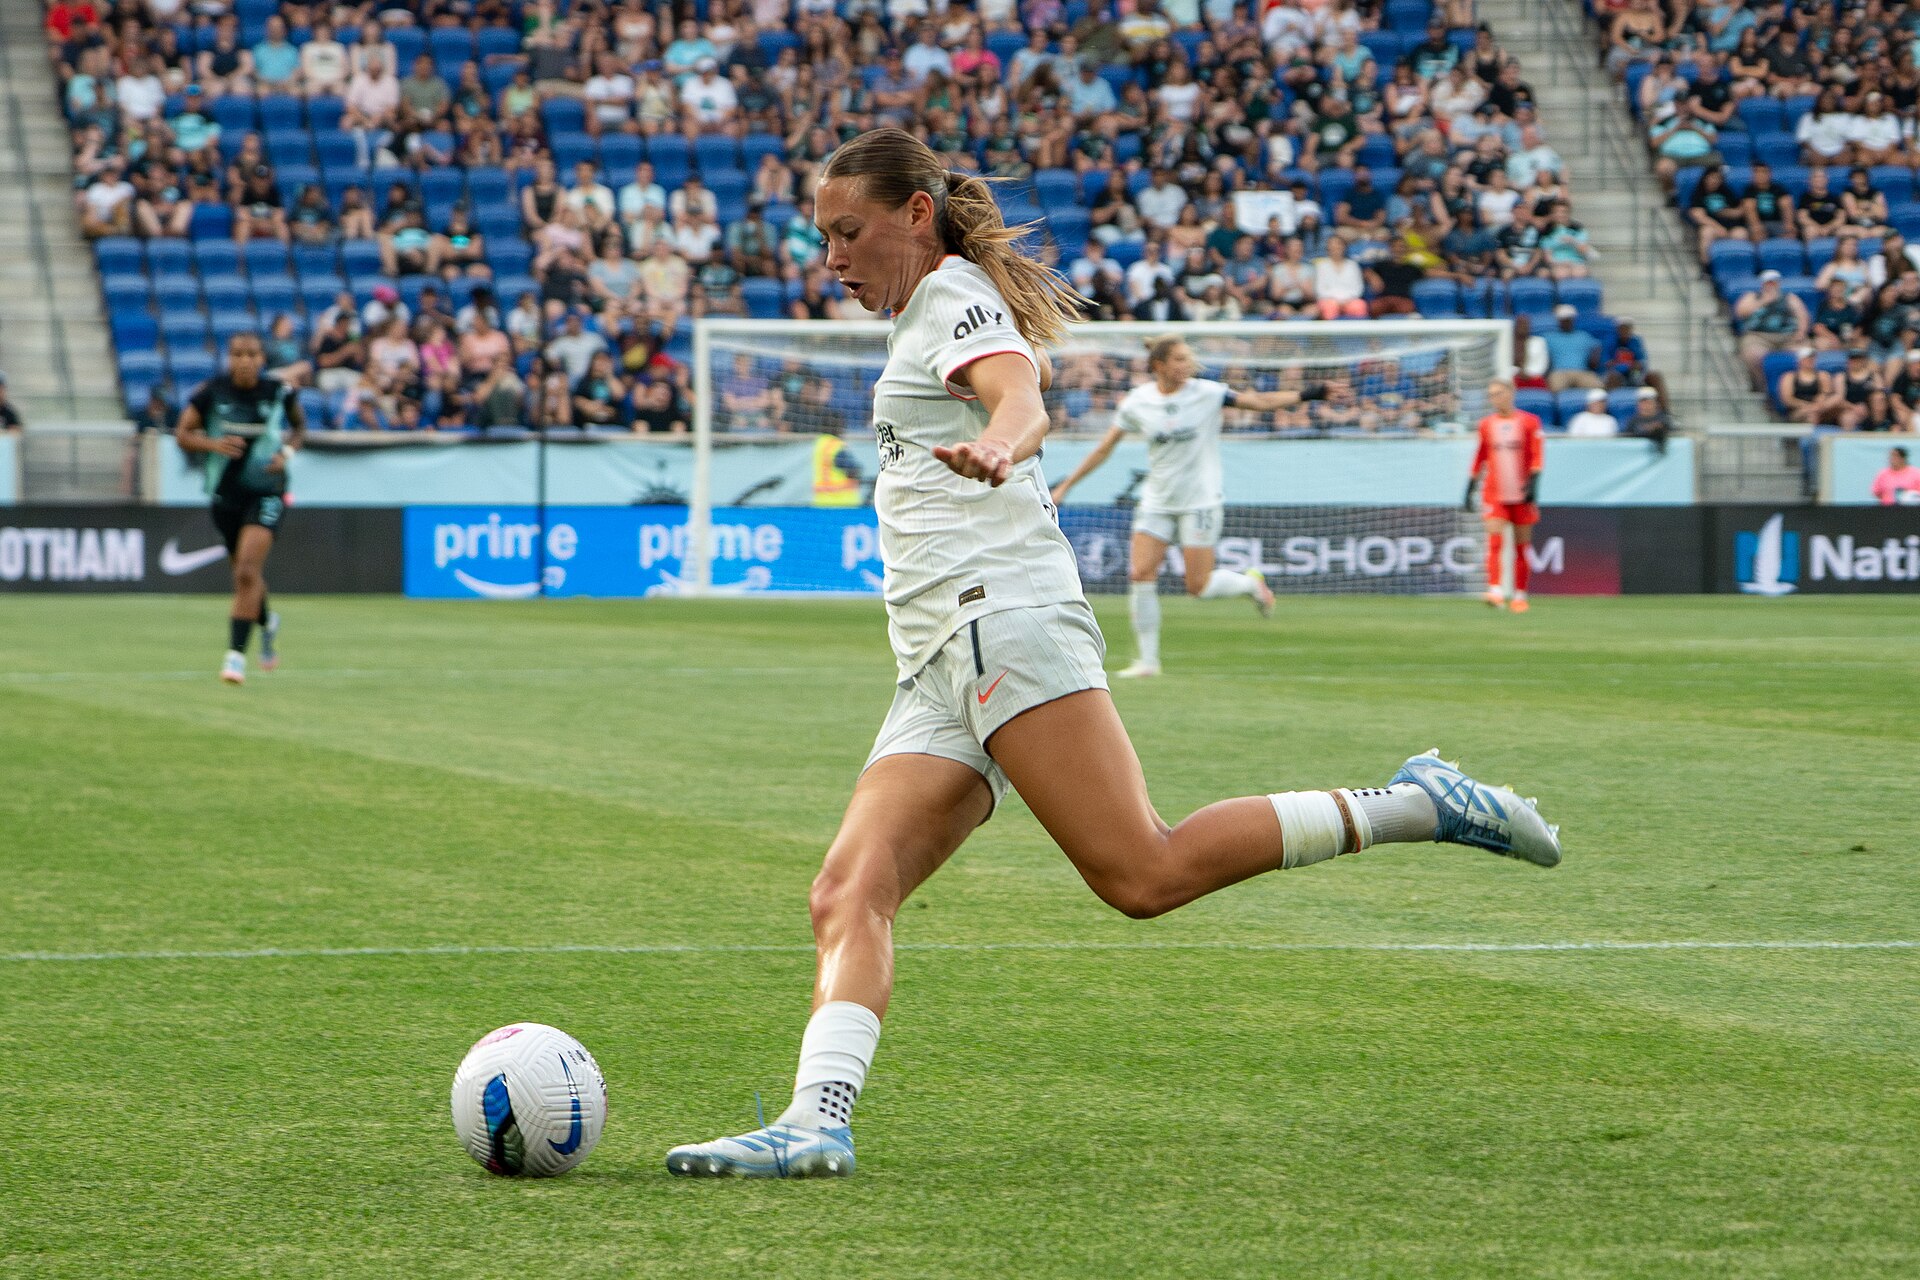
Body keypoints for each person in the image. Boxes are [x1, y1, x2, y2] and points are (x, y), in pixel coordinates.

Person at [662, 129, 1562, 1182]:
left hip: (1005, 621)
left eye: (847, 231)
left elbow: (1020, 392)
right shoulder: (924, 313)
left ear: (915, 215)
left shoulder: (952, 298)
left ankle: (1420, 803)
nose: (831, 257)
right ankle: (817, 1121)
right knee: (845, 889)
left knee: (1143, 869)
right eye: (823, 236)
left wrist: (1007, 437)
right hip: (940, 657)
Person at [1049, 336, 1324, 676]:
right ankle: (1148, 661)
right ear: (1159, 365)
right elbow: (1104, 449)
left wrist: (1310, 394)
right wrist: (1065, 487)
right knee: (1139, 574)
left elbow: (1259, 401)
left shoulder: (1208, 393)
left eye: (1188, 359)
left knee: (1199, 587)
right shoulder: (1138, 402)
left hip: (1200, 500)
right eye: (1179, 359)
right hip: (1157, 501)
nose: (1187, 365)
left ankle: (1251, 584)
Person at [171, 333, 307, 686]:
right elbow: (183, 433)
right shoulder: (212, 393)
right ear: (229, 358)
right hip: (225, 497)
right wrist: (213, 444)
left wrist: (287, 454)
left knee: (247, 569)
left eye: (251, 354)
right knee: (244, 575)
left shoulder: (278, 392)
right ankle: (267, 621)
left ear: (262, 358)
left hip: (268, 492)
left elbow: (300, 428)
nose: (245, 361)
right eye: (237, 354)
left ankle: (235, 659)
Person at [1466, 379, 1543, 613]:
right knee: (1495, 541)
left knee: (1521, 546)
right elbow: (1480, 456)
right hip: (1495, 493)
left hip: (1521, 494)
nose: (1495, 398)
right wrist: (1470, 487)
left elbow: (1537, 456)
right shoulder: (1486, 425)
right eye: (1491, 395)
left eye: (1498, 393)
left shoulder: (1529, 422)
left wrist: (1533, 487)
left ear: (1510, 393)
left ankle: (1520, 595)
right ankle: (1496, 591)